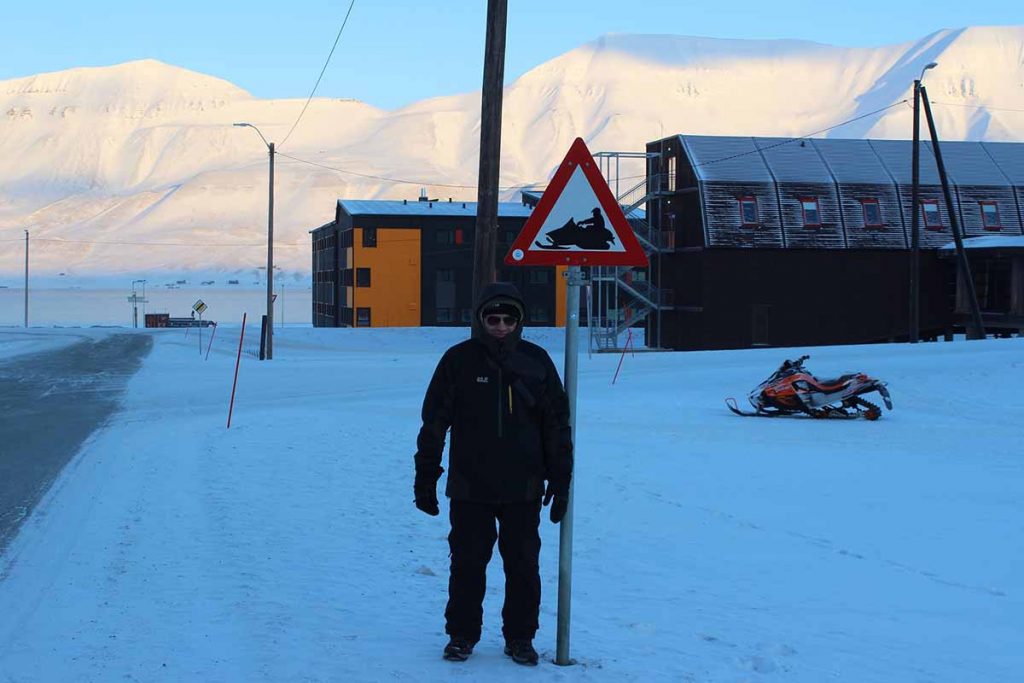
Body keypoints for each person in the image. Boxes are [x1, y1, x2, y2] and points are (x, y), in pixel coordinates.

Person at [413, 282, 573, 666]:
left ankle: (521, 637)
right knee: (467, 565)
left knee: (522, 566)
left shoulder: (536, 362)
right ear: (481, 319)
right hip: (471, 486)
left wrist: (561, 479)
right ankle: (461, 635)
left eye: (508, 319)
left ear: (519, 321)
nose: (500, 326)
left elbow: (557, 425)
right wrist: (426, 476)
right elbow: (434, 423)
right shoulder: (459, 361)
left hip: (524, 487)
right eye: (492, 318)